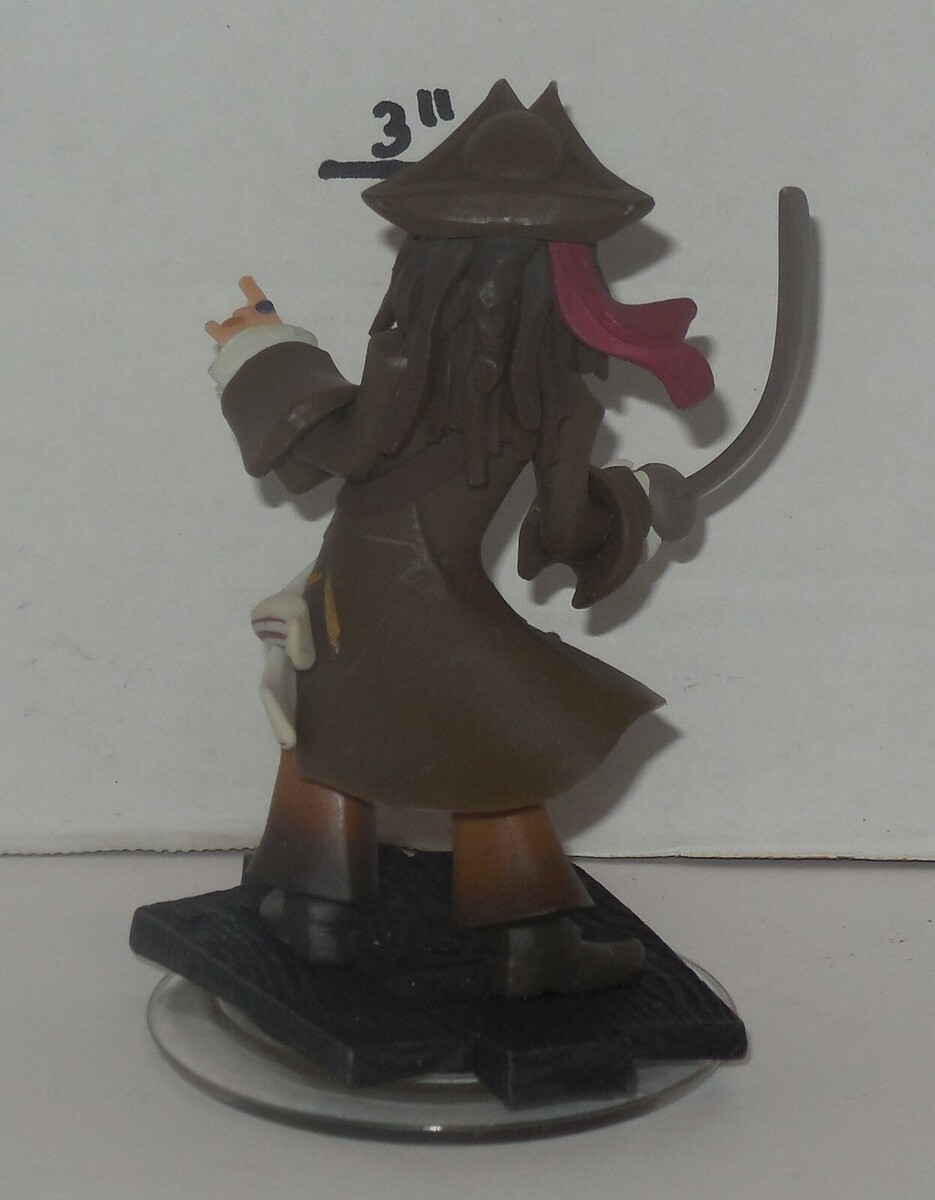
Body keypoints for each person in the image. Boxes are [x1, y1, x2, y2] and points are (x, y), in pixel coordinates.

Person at [205, 81, 713, 997]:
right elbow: (562, 531)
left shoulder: (400, 364)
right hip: (423, 595)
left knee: (335, 726)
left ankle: (313, 905)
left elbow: (334, 448)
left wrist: (264, 348)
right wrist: (636, 505)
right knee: (496, 750)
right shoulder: (556, 401)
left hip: (349, 587)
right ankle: (527, 939)